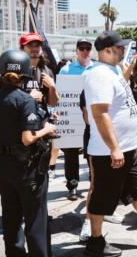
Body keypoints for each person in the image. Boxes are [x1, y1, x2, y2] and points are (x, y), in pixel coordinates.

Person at [83, 30, 137, 256]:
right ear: (107, 50)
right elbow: (100, 114)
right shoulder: (99, 74)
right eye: (120, 47)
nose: (123, 50)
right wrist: (114, 147)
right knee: (102, 196)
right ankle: (95, 241)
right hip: (110, 152)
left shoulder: (113, 70)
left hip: (128, 147)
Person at [0, 49, 56, 257]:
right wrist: (47, 129)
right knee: (36, 219)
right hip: (28, 169)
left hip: (4, 166)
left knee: (11, 217)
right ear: (24, 74)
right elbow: (28, 138)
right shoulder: (26, 100)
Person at [18, 33, 59, 181]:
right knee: (23, 175)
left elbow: (52, 103)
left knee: (41, 173)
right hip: (22, 127)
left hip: (42, 127)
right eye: (30, 45)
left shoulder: (46, 71)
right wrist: (28, 98)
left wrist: (53, 87)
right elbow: (6, 100)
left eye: (38, 45)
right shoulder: (16, 71)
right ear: (23, 48)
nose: (35, 49)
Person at [58, 38, 95, 201]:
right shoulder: (66, 70)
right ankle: (72, 185)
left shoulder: (97, 69)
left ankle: (94, 184)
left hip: (92, 119)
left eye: (88, 48)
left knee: (93, 153)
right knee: (71, 154)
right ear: (76, 50)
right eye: (82, 48)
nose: (85, 51)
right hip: (72, 118)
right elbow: (60, 95)